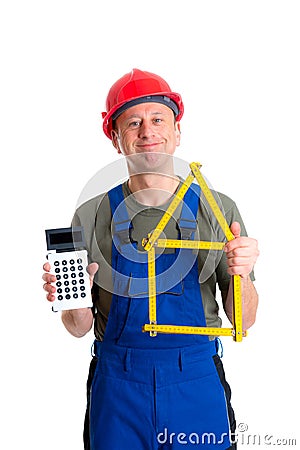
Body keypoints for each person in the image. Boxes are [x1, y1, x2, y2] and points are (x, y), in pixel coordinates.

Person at [42, 68, 259, 450]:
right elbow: (78, 328)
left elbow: (246, 320)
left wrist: (241, 274)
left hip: (196, 379)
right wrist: (72, 298)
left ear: (177, 132)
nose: (147, 131)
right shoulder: (90, 214)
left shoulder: (218, 208)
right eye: (133, 123)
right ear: (115, 138)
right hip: (118, 384)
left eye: (158, 119)